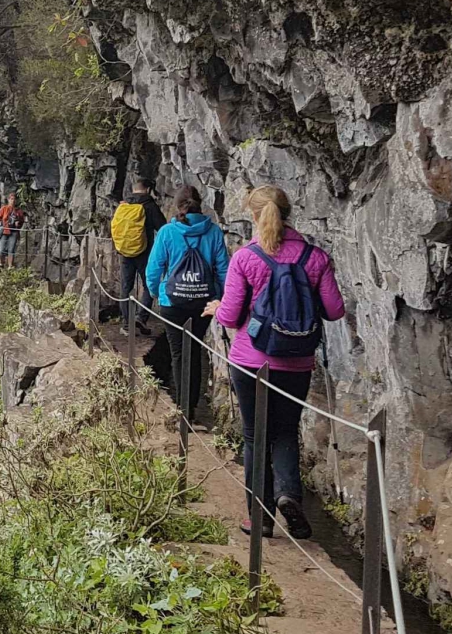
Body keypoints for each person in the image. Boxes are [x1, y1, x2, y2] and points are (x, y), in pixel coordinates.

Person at [206, 185, 345, 541]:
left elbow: (231, 315)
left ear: (254, 216)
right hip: (296, 361)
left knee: (255, 436)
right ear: (287, 212)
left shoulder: (246, 258)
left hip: (250, 361)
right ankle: (289, 495)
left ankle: (261, 518)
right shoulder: (315, 258)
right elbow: (334, 310)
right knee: (286, 431)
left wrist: (217, 309)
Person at [145, 185, 229, 419]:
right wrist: (220, 298)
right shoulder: (213, 232)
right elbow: (223, 270)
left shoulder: (167, 232)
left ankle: (183, 410)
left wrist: (156, 293)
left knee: (178, 353)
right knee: (194, 350)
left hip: (172, 303)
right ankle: (190, 406)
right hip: (203, 303)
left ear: (177, 205)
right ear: (200, 204)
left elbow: (154, 269)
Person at [110, 177, 165, 335]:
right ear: (148, 189)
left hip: (125, 252)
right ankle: (141, 318)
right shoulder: (150, 206)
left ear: (133, 189)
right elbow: (163, 228)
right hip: (144, 252)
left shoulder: (123, 206)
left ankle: (127, 325)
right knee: (148, 285)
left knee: (126, 287)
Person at [0, 192, 26, 269]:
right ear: (8, 200)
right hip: (5, 231)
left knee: (11, 249)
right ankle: (1, 263)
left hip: (14, 231)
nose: (13, 201)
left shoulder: (18, 211)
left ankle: (10, 265)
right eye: (11, 199)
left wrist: (18, 224)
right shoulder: (4, 208)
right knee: (2, 249)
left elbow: (22, 220)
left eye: (14, 199)